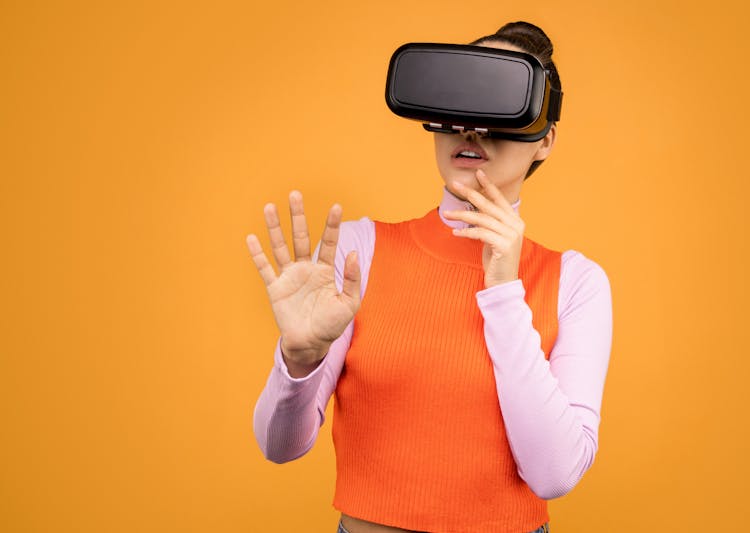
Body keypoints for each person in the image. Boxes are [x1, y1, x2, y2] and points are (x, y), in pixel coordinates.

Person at [246, 21, 612, 533]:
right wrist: (298, 359)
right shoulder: (359, 252)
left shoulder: (575, 281)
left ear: (545, 139)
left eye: (497, 101)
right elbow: (278, 447)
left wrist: (504, 291)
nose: (472, 128)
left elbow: (554, 475)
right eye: (461, 99)